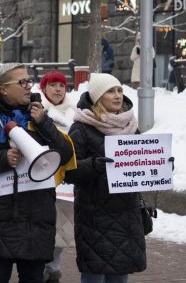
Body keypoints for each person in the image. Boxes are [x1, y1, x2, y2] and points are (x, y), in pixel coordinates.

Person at [0, 63, 75, 283]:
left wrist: (44, 123)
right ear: (3, 89)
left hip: (36, 214)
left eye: (29, 81)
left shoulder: (38, 114)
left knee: (33, 277)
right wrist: (2, 159)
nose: (28, 87)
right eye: (22, 82)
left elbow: (65, 154)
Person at [65, 74, 146, 283]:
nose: (117, 95)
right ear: (98, 97)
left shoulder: (130, 126)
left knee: (119, 275)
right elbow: (69, 171)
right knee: (95, 275)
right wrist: (94, 166)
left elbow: (140, 163)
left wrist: (160, 164)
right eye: (110, 91)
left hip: (126, 213)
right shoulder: (81, 128)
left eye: (119, 90)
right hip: (95, 216)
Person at [39, 71, 76, 283]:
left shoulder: (74, 112)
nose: (58, 89)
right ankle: (41, 267)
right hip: (43, 177)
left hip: (66, 180)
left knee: (63, 226)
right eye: (53, 85)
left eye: (61, 85)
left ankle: (53, 268)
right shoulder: (38, 111)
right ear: (44, 88)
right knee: (44, 225)